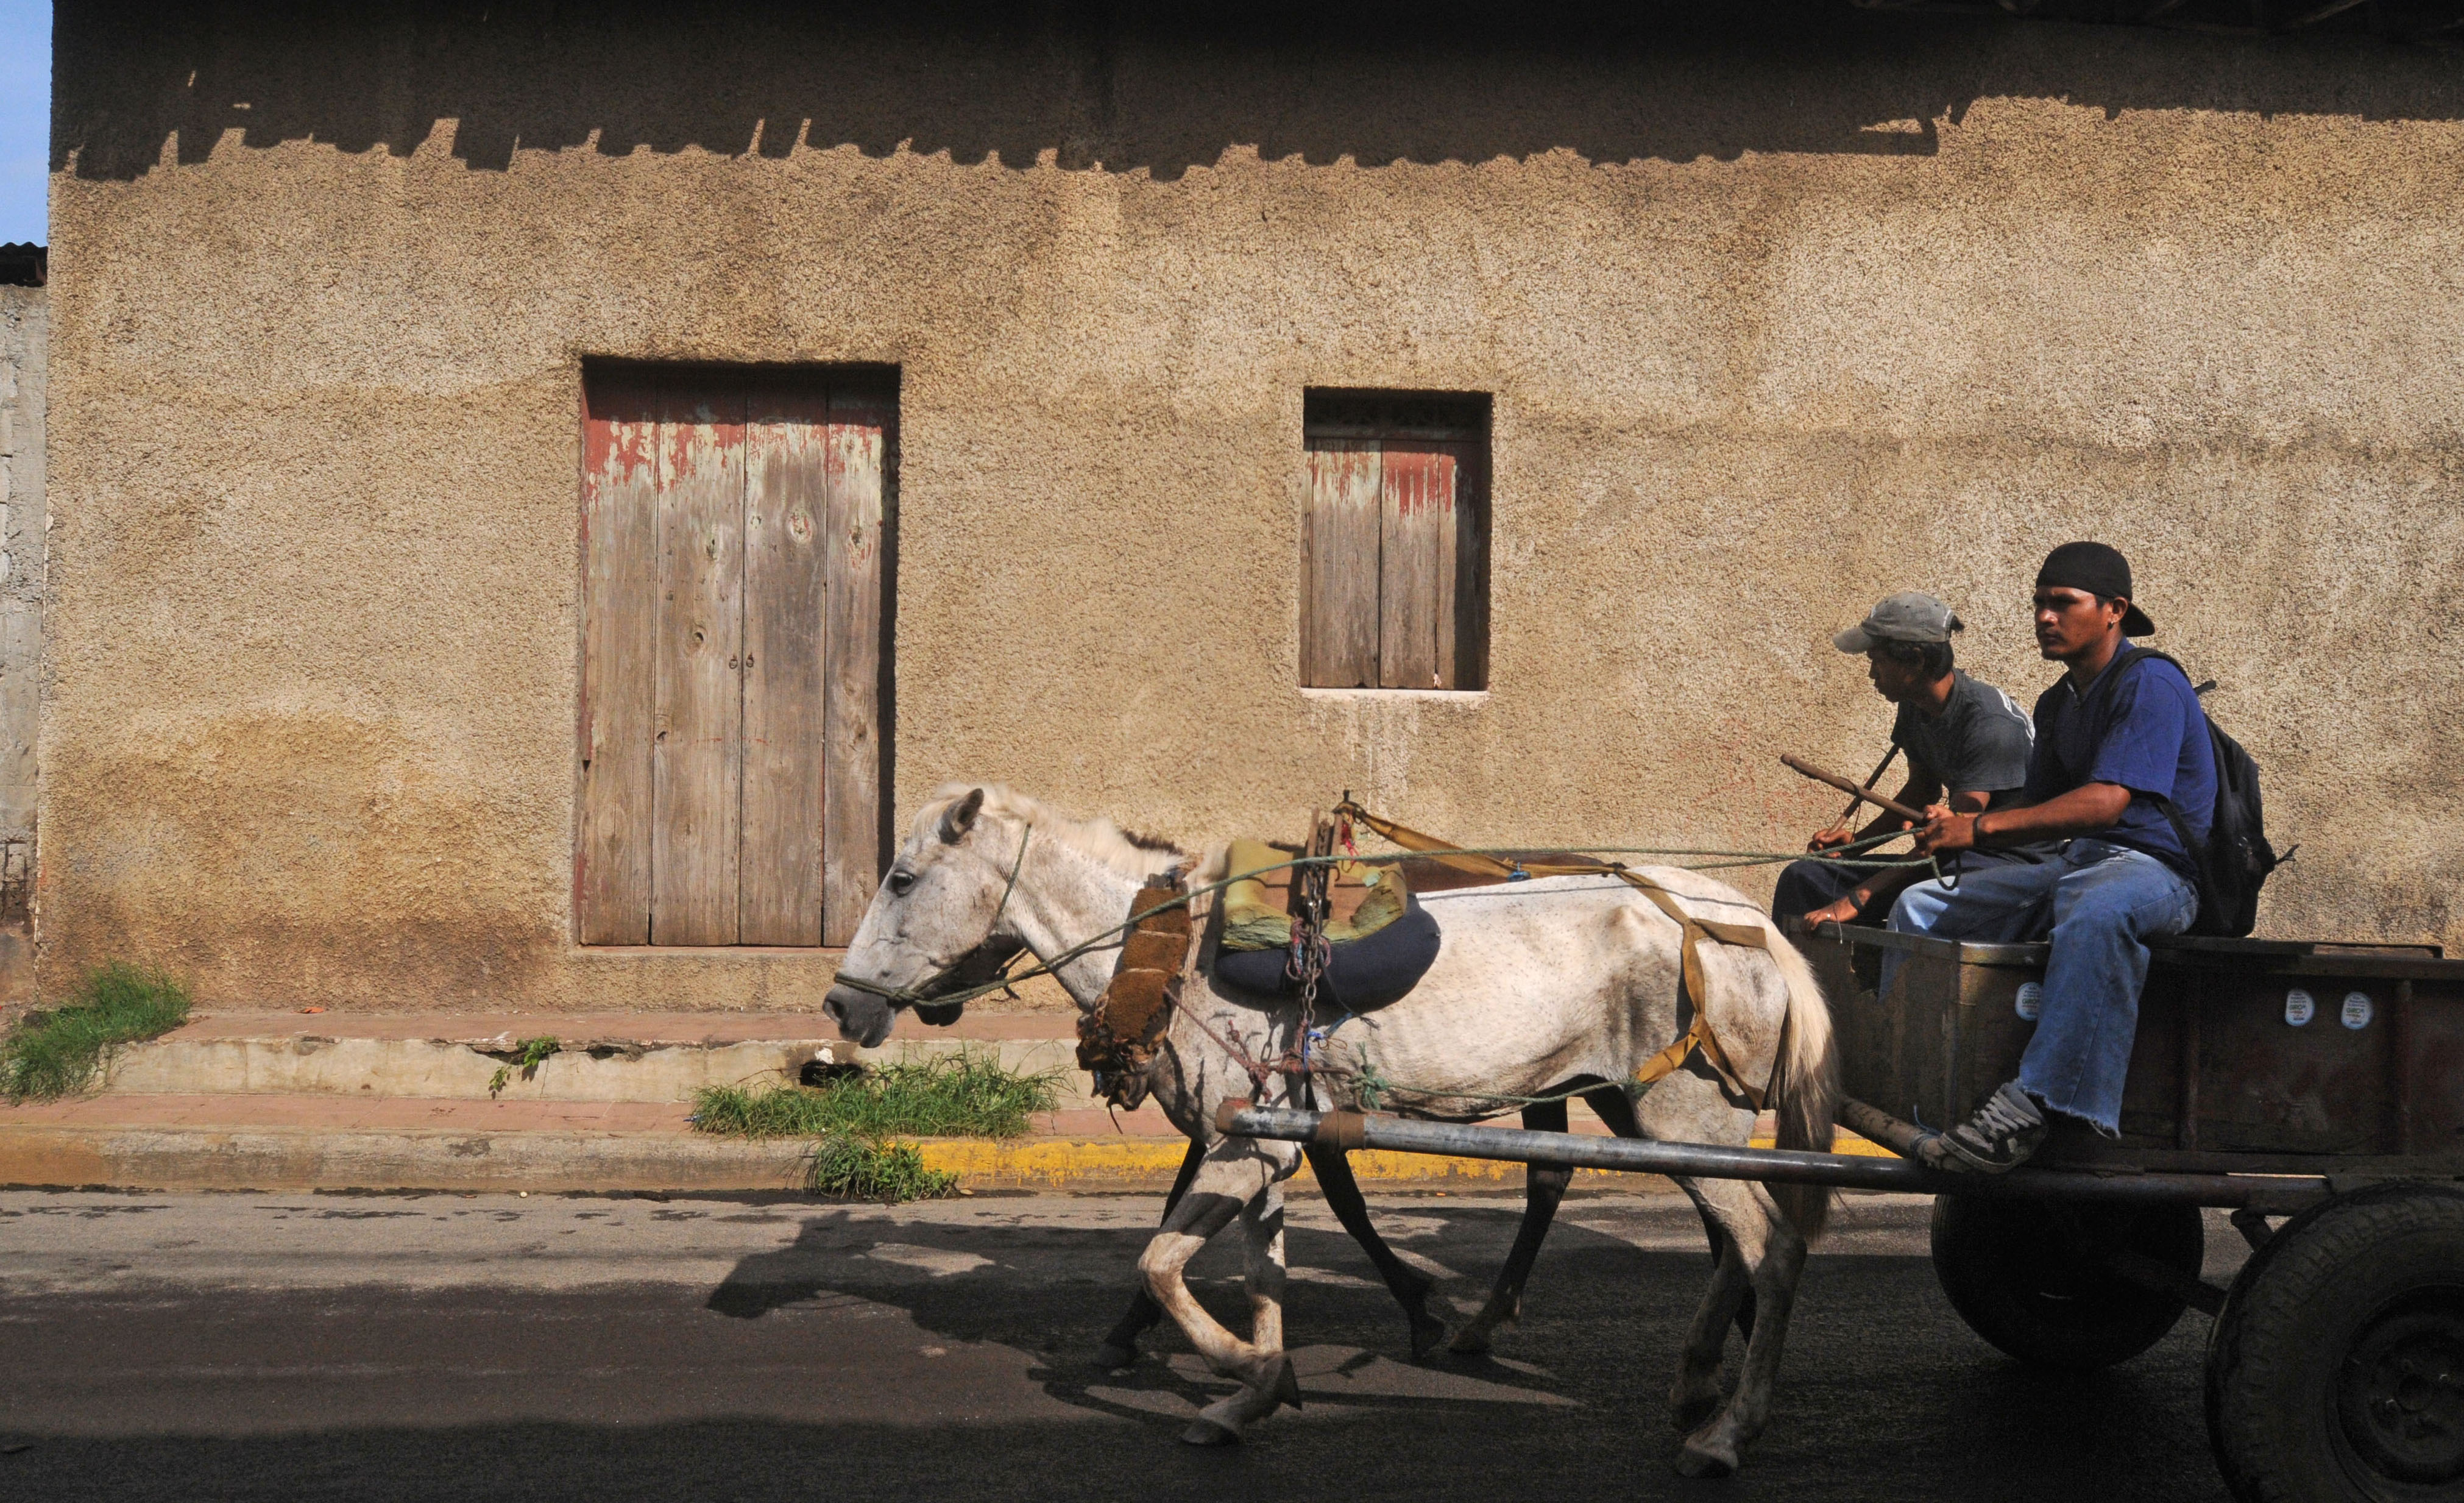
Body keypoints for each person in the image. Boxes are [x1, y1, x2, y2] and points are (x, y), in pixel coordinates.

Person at [1896, 542, 2215, 1173]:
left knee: (2094, 909)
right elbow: (2035, 815)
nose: (2044, 617)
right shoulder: (2056, 703)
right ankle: (1919, 1083)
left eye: (2062, 604)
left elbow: (2103, 804)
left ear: (2114, 610)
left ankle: (2037, 1102)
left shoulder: (2152, 683)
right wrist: (1957, 825)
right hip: (2084, 864)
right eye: (2039, 604)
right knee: (1925, 903)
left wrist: (1978, 828)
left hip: (2160, 872)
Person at [1772, 591, 2037, 929]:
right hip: (1956, 854)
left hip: (2005, 863)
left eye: (1878, 661)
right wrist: (1856, 845)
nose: (1872, 675)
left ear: (1916, 661)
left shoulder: (1990, 727)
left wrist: (1857, 898)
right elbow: (1922, 789)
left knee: (1905, 898)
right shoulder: (1916, 701)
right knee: (1804, 877)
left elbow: (1948, 836)